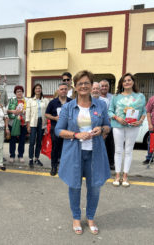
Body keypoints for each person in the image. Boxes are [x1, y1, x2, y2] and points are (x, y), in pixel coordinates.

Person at [55, 70, 110, 235]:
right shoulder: (68, 107)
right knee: (75, 187)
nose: (84, 86)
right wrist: (76, 134)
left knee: (95, 188)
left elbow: (108, 125)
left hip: (95, 153)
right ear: (75, 86)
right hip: (75, 153)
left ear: (91, 85)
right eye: (80, 83)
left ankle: (91, 217)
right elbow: (58, 130)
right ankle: (76, 218)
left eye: (87, 83)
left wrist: (101, 129)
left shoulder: (101, 105)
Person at [109, 73, 146, 187]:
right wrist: (117, 118)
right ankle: (117, 175)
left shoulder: (140, 96)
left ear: (133, 82)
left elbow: (144, 112)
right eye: (124, 81)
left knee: (129, 151)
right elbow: (110, 111)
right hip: (118, 125)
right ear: (121, 83)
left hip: (133, 126)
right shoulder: (116, 97)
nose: (127, 82)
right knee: (118, 151)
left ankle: (125, 176)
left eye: (129, 80)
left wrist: (140, 121)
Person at [45, 82, 71, 176]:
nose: (63, 91)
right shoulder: (53, 102)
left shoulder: (71, 102)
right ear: (58, 91)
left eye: (65, 89)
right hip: (56, 128)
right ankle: (54, 166)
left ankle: (66, 167)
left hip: (68, 129)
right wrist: (55, 118)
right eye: (62, 89)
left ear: (67, 90)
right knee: (55, 148)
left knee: (67, 148)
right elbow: (47, 114)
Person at [26, 84, 49, 168]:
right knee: (32, 142)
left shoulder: (45, 100)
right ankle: (30, 159)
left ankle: (36, 158)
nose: (38, 90)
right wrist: (28, 124)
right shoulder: (30, 100)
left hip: (42, 123)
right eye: (36, 88)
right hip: (33, 123)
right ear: (34, 90)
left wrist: (46, 125)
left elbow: (47, 113)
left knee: (39, 142)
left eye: (39, 88)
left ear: (41, 90)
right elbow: (27, 113)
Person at [7, 85, 27, 163]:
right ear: (15, 92)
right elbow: (7, 110)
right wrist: (13, 111)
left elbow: (29, 111)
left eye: (21, 91)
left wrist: (24, 112)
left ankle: (20, 155)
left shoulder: (26, 101)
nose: (19, 93)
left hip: (23, 123)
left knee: (22, 140)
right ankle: (12, 155)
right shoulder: (11, 100)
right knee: (13, 140)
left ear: (22, 92)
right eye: (17, 91)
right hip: (13, 123)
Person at [99, 80, 115, 170]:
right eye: (102, 86)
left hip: (110, 124)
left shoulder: (112, 98)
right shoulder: (95, 97)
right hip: (99, 124)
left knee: (110, 145)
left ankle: (111, 163)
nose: (104, 88)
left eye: (106, 86)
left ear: (108, 87)